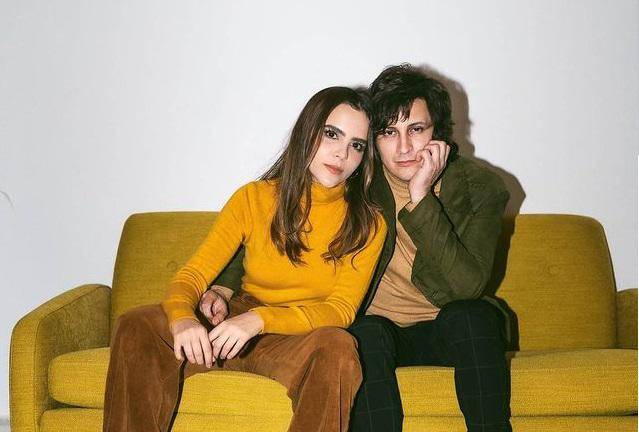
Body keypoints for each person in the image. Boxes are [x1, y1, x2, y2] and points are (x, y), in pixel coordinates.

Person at [207, 64, 512, 432]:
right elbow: (272, 222)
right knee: (361, 333)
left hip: (450, 328)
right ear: (374, 140)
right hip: (380, 330)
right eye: (388, 132)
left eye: (416, 129)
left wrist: (421, 198)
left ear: (439, 133)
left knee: (473, 315)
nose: (403, 147)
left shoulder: (481, 188)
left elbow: (468, 286)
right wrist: (223, 285)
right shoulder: (357, 181)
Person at [102, 86, 387, 432]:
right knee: (137, 324)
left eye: (357, 145)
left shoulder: (369, 223)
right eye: (331, 134)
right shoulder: (254, 198)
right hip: (232, 322)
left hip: (297, 336)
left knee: (338, 348)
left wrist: (259, 320)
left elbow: (340, 311)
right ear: (307, 131)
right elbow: (193, 275)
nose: (342, 153)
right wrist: (183, 318)